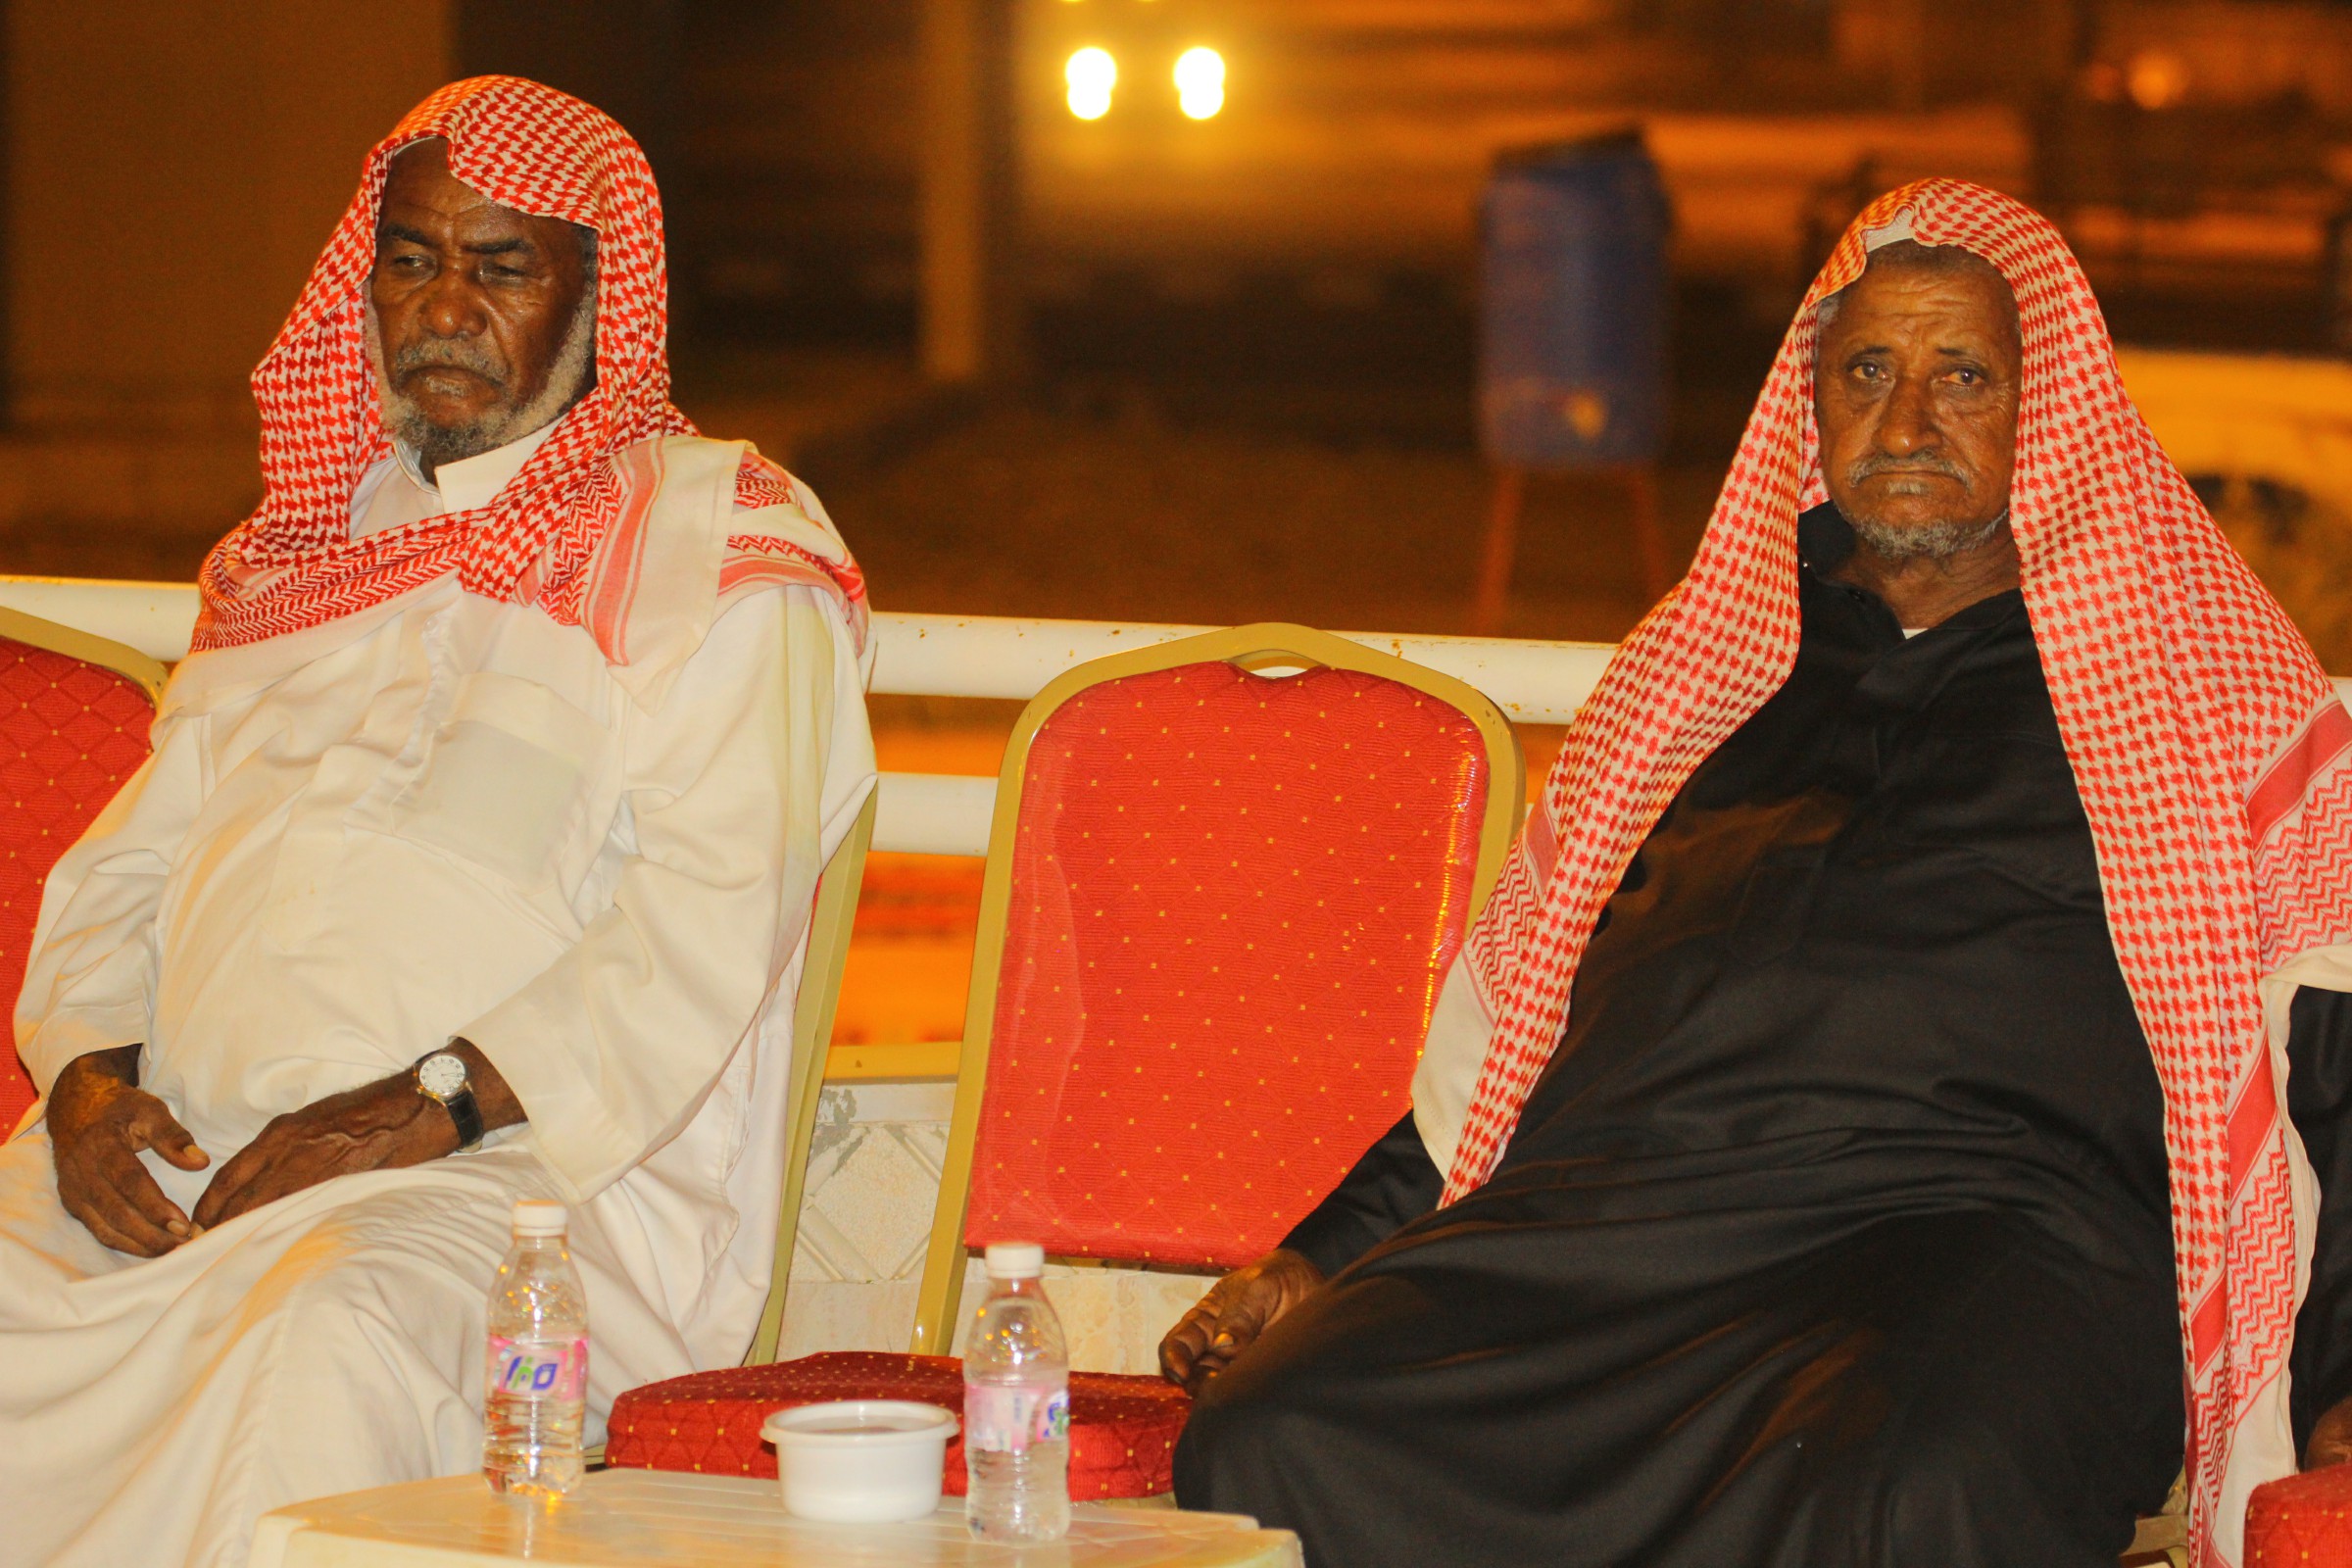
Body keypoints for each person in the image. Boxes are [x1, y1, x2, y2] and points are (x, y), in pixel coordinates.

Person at [1163, 181, 2352, 1568]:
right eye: (1868, 373)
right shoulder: (1698, 675)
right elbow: (1502, 1045)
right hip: (1617, 1219)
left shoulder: (2199, 687)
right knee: (1275, 1434)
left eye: (1963, 376)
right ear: (1814, 404)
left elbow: (2330, 1063)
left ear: (2051, 408)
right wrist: (1315, 1257)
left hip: (1980, 1237)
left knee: (1921, 1488)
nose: (1906, 423)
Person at [0, 76, 874, 1568]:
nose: (446, 309)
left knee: (323, 1336)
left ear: (601, 295)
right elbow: (131, 870)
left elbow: (707, 922)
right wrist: (84, 1080)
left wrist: (420, 1108)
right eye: (411, 261)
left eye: (503, 266)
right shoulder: (300, 555)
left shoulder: (712, 541)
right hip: (183, 1159)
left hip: (506, 1189)